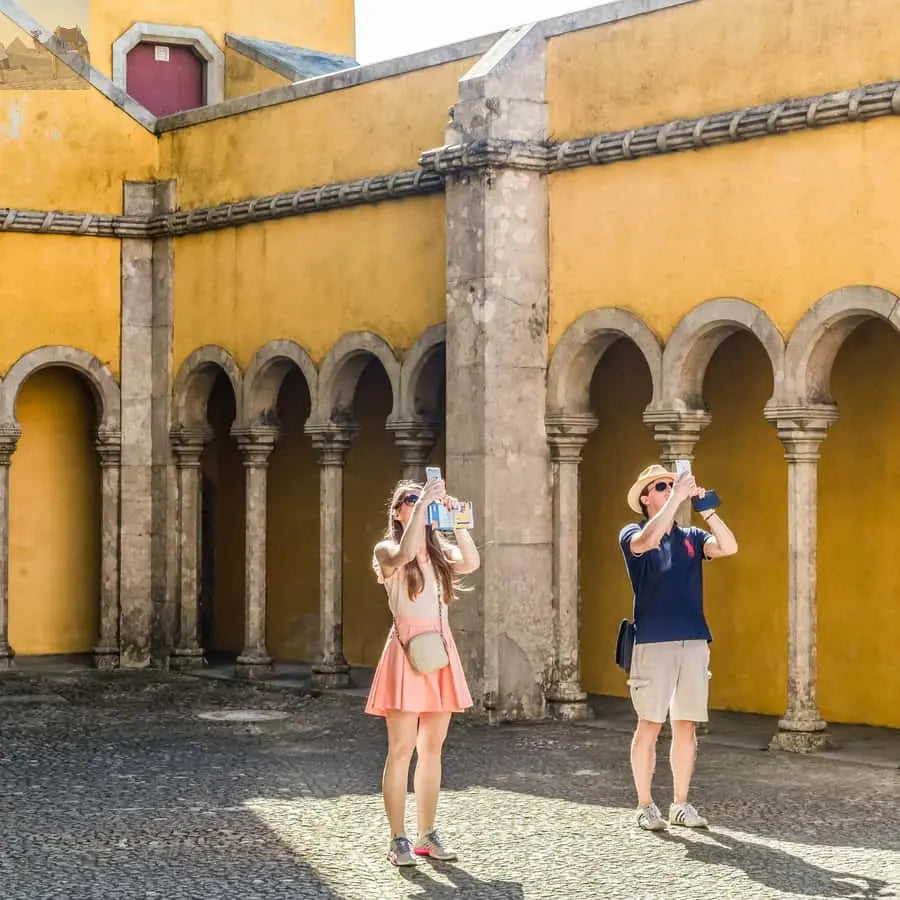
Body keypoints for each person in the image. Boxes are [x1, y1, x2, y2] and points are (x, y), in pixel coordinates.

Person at [366, 476, 480, 866]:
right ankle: (397, 838)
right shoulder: (387, 549)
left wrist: (454, 519)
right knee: (400, 751)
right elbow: (404, 553)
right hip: (406, 652)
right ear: (397, 511)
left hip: (439, 650)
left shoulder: (438, 552)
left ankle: (426, 834)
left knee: (432, 748)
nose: (418, 503)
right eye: (410, 499)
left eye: (421, 498)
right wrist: (421, 513)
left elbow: (472, 562)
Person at [618, 464, 738, 831]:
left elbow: (730, 547)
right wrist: (676, 499)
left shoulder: (692, 536)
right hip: (653, 642)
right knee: (650, 725)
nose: (670, 488)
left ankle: (681, 804)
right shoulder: (633, 532)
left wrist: (708, 509)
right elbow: (649, 542)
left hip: (693, 640)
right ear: (645, 497)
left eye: (672, 483)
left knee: (685, 726)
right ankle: (645, 804)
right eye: (661, 486)